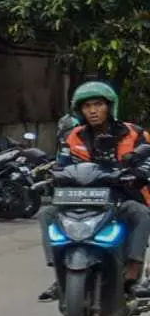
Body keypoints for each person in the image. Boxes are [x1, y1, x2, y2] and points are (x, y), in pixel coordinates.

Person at [37, 81, 150, 302]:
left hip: (122, 197)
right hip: (82, 198)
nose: (92, 110)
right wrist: (52, 175)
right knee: (47, 214)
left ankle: (134, 272)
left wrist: (138, 172)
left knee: (141, 213)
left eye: (98, 104)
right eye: (87, 106)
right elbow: (62, 164)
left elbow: (148, 159)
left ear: (110, 106)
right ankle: (60, 273)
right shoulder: (73, 136)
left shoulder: (135, 133)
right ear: (80, 110)